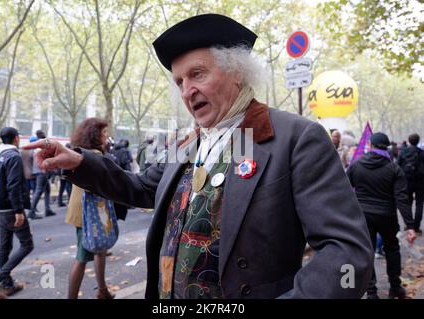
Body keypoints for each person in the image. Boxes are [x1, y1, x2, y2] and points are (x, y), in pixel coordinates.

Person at [25, 13, 373, 299]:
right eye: (179, 81)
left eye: (197, 74)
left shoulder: (296, 139)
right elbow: (140, 187)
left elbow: (346, 252)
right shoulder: (185, 144)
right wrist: (80, 162)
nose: (187, 91)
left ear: (237, 72)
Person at [347, 132, 416, 299]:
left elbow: (344, 191)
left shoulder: (355, 165)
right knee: (392, 250)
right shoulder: (394, 168)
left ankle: (371, 292)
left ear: (370, 145)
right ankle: (395, 288)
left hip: (363, 216)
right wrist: (410, 225)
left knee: (368, 252)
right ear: (387, 147)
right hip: (387, 216)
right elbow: (402, 198)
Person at [64, 118, 115, 299]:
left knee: (99, 250)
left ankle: (103, 290)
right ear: (94, 135)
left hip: (84, 209)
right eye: (103, 133)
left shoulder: (81, 153)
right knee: (82, 256)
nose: (106, 136)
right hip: (90, 212)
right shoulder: (94, 155)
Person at [0, 127, 34, 296]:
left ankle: (7, 284)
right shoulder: (13, 156)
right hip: (10, 207)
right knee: (27, 244)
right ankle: (0, 277)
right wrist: (19, 211)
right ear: (16, 139)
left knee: (5, 245)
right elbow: (13, 185)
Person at [398, 133, 424, 234]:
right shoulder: (422, 153)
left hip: (406, 181)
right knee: (419, 204)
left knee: (407, 203)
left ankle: (408, 225)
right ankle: (416, 227)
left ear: (409, 141)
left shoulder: (403, 152)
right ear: (418, 141)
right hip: (420, 182)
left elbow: (398, 166)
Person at [28, 130, 56, 219]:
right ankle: (31, 212)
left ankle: (48, 209)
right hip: (42, 171)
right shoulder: (44, 146)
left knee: (46, 189)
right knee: (39, 190)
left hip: (37, 171)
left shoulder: (35, 146)